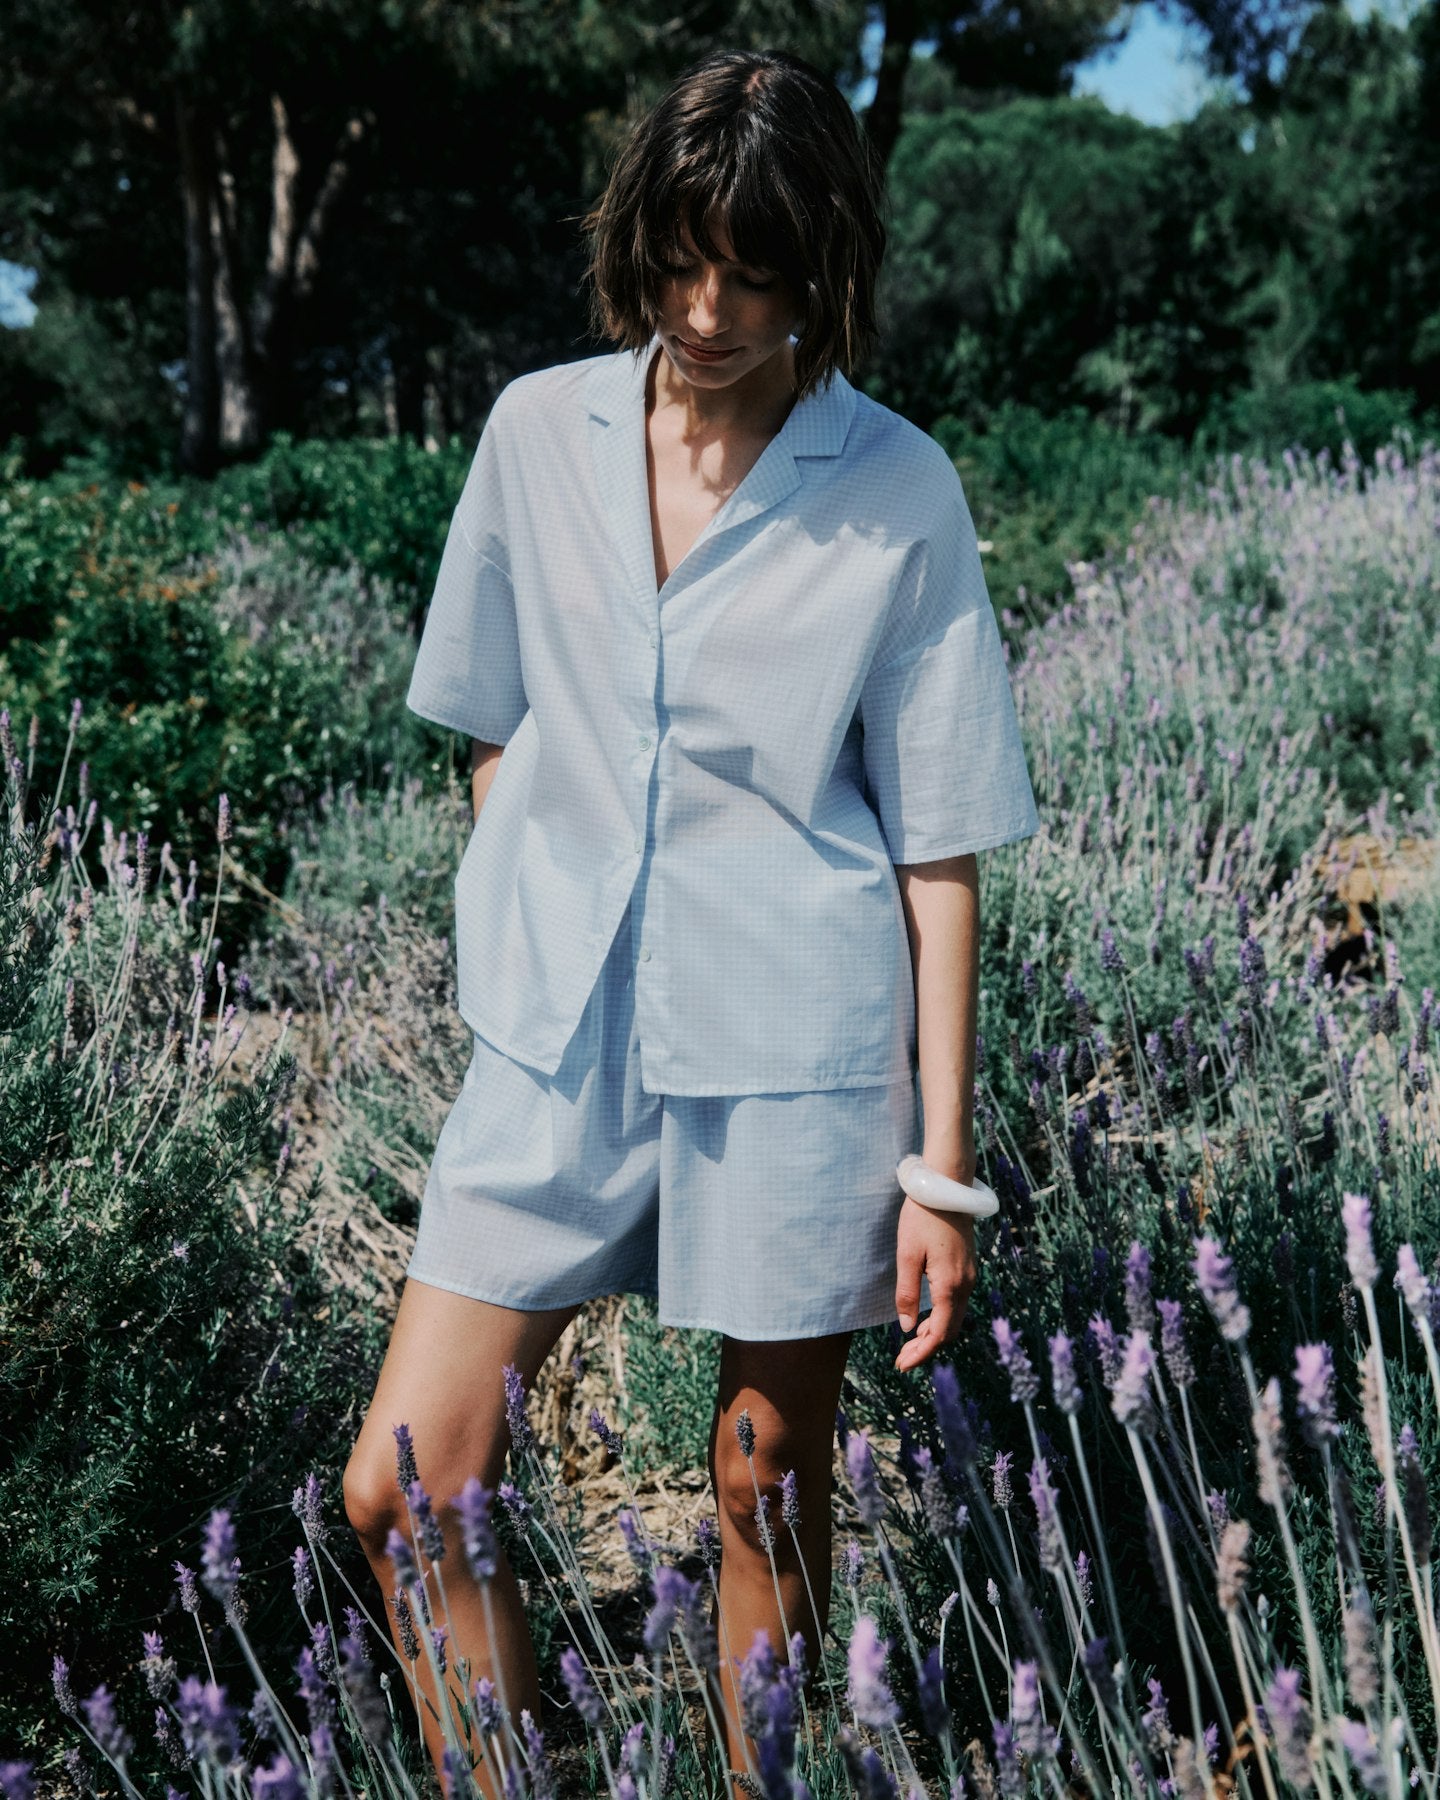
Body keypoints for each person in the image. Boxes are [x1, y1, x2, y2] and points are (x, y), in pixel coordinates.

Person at [342, 44, 1039, 1796]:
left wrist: (941, 1168)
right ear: (635, 238)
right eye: (679, 259)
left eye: (758, 271)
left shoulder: (899, 491)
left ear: (830, 269)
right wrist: (523, 903)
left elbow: (937, 849)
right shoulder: (533, 435)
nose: (710, 308)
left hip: (795, 1044)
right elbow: (492, 718)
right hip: (556, 1035)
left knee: (762, 1496)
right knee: (405, 1484)